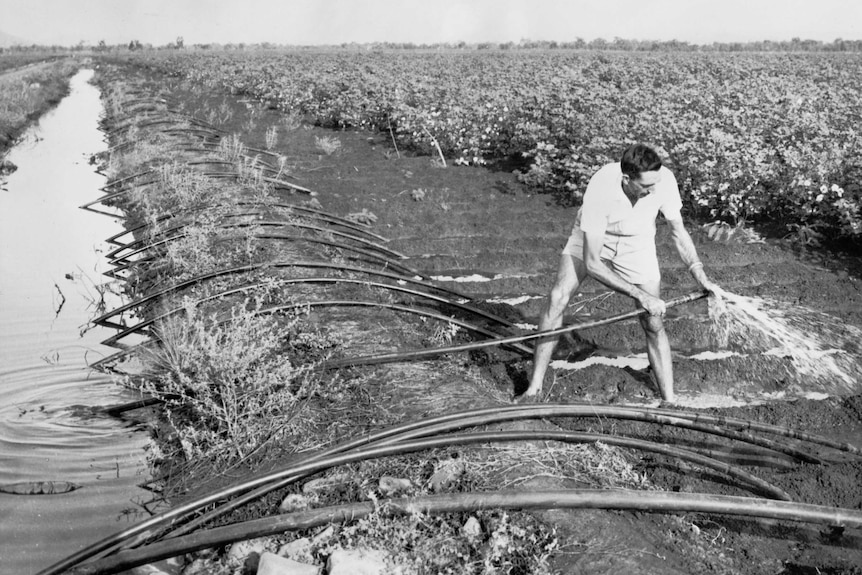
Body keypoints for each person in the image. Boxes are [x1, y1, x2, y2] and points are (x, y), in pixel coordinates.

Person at [518, 143, 720, 404]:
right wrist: (639, 294)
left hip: (637, 242)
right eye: (646, 186)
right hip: (593, 237)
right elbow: (592, 263)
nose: (653, 190)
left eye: (656, 183)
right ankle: (533, 390)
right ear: (627, 179)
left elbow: (678, 232)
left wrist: (698, 272)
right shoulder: (601, 188)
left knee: (653, 321)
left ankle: (670, 400)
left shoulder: (664, 181)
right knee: (557, 298)